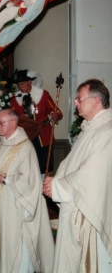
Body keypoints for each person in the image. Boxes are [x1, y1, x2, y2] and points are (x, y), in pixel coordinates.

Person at [43, 79, 112, 272]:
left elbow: (92, 173)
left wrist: (57, 186)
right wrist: (54, 182)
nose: (75, 103)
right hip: (74, 205)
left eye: (79, 98)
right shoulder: (90, 128)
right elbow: (70, 163)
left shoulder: (107, 131)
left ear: (96, 100)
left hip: (89, 210)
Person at [0, 109, 54, 273]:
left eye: (0, 123)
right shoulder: (1, 145)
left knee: (16, 249)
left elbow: (30, 182)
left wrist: (4, 179)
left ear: (13, 123)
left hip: (15, 207)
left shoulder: (25, 147)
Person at [11, 69, 63, 178]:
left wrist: (55, 115)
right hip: (26, 136)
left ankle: (43, 189)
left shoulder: (43, 95)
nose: (20, 87)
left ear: (30, 82)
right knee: (27, 164)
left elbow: (56, 111)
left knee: (44, 165)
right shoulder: (15, 99)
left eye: (23, 83)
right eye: (18, 84)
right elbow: (12, 116)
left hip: (43, 136)